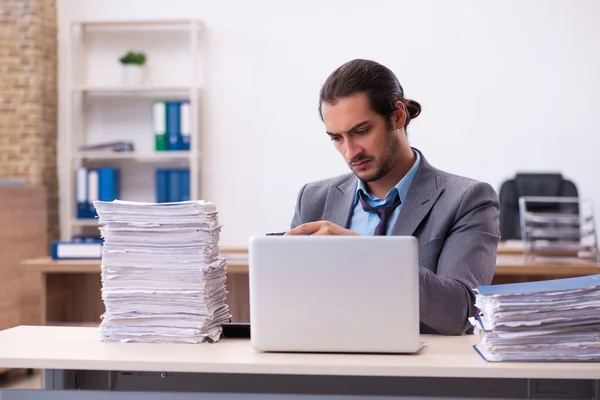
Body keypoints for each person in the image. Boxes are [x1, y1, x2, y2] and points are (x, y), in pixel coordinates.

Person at [286, 59, 500, 335]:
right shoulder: (313, 199)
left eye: (361, 131)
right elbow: (294, 303)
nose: (350, 152)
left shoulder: (468, 199)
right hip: (325, 366)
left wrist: (366, 256)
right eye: (336, 138)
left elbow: (463, 312)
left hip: (417, 373)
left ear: (398, 116)